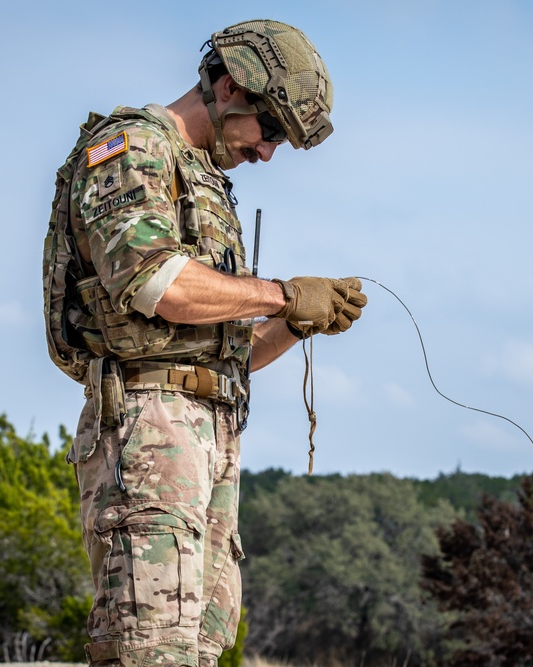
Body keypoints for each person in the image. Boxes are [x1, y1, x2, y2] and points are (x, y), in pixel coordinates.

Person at [41, 19, 368, 667]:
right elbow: (154, 281)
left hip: (208, 436)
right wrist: (281, 293)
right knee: (149, 647)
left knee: (197, 648)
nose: (268, 152)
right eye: (268, 129)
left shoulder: (207, 180)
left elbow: (228, 355)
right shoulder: (132, 147)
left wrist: (298, 322)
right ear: (225, 87)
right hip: (148, 431)